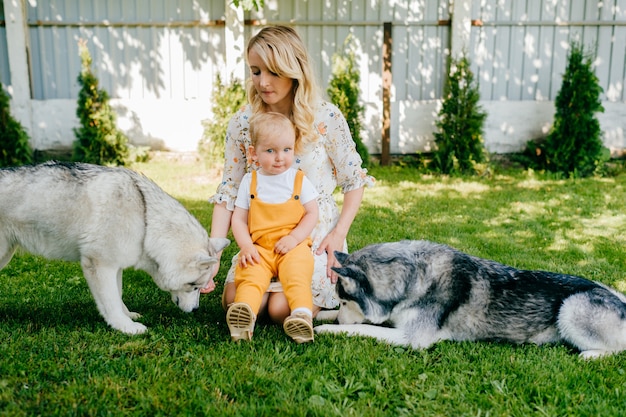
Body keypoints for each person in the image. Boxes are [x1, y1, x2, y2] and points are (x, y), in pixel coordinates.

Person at [203, 25, 374, 325]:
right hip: (261, 235)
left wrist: (339, 233)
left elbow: (353, 179)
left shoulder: (326, 117)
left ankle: (318, 305)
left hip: (311, 234)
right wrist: (214, 251)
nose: (263, 82)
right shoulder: (243, 122)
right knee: (237, 300)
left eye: (273, 72)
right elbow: (229, 190)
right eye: (256, 71)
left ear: (294, 70)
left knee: (280, 309)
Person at [227, 111, 319, 343]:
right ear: (254, 153)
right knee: (250, 275)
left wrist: (295, 237)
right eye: (271, 151)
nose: (280, 158)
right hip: (261, 247)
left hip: (292, 246)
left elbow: (312, 213)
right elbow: (238, 219)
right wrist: (246, 246)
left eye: (286, 150)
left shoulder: (298, 179)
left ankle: (301, 316)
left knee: (296, 274)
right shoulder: (251, 181)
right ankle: (244, 315)